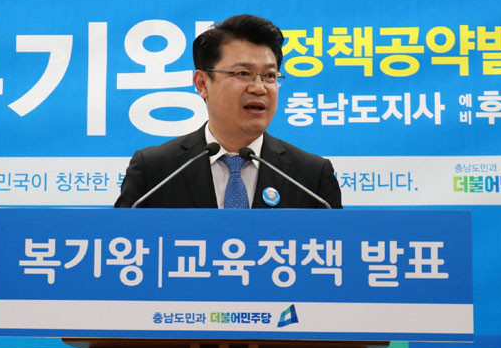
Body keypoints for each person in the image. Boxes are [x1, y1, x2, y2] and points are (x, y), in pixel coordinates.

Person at [115, 14, 342, 209]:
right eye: (243, 73)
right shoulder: (154, 171)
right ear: (202, 83)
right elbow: (121, 242)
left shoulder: (311, 177)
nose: (259, 88)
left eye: (270, 76)